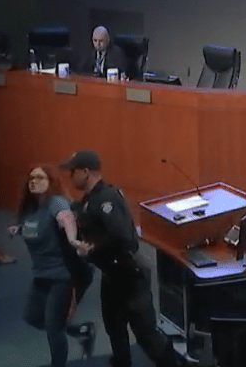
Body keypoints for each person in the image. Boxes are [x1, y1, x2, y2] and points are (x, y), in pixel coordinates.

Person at [59, 150, 183, 367]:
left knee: (146, 334)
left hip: (130, 274)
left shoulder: (107, 199)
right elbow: (79, 213)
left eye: (72, 171)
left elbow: (121, 236)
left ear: (86, 172)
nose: (70, 176)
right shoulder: (90, 199)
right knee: (114, 328)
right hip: (111, 274)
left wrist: (92, 249)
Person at [9, 165, 96, 367]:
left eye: (40, 177)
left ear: (51, 182)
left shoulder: (56, 202)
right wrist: (19, 230)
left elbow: (65, 218)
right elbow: (36, 230)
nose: (34, 181)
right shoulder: (31, 208)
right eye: (31, 178)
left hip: (63, 274)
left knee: (53, 326)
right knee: (33, 318)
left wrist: (73, 240)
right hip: (41, 274)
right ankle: (82, 332)